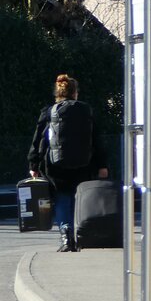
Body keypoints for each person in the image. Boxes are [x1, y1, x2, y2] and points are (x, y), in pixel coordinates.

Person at [27, 74, 108, 252]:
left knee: (62, 197)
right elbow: (96, 139)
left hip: (55, 165)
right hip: (83, 163)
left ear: (58, 92)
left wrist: (34, 165)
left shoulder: (49, 112)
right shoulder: (86, 110)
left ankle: (66, 236)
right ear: (75, 93)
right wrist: (102, 165)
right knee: (80, 198)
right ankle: (80, 235)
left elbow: (38, 140)